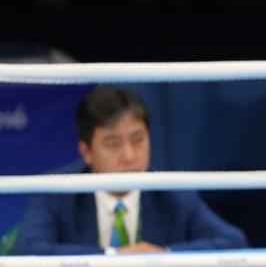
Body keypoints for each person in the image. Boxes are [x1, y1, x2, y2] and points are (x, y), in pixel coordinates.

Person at [14, 86, 248, 255]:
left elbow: (234, 241)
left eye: (138, 140)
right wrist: (113, 258)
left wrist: (163, 255)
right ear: (86, 152)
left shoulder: (173, 194)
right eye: (113, 144)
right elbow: (28, 250)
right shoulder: (56, 192)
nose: (129, 156)